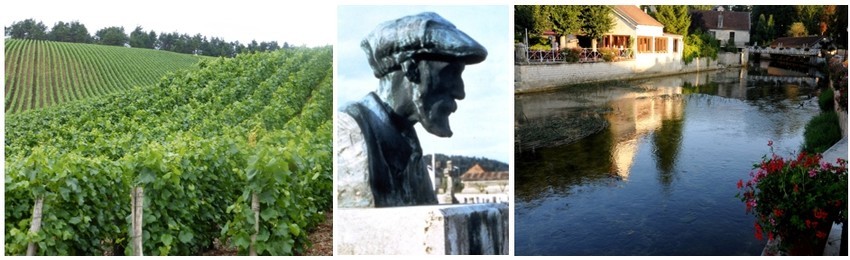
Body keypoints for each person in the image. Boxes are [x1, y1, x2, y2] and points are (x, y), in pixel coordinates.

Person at [336, 12, 487, 208]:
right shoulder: (351, 131)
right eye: (450, 73)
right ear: (412, 69)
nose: (460, 92)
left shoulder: (410, 146)